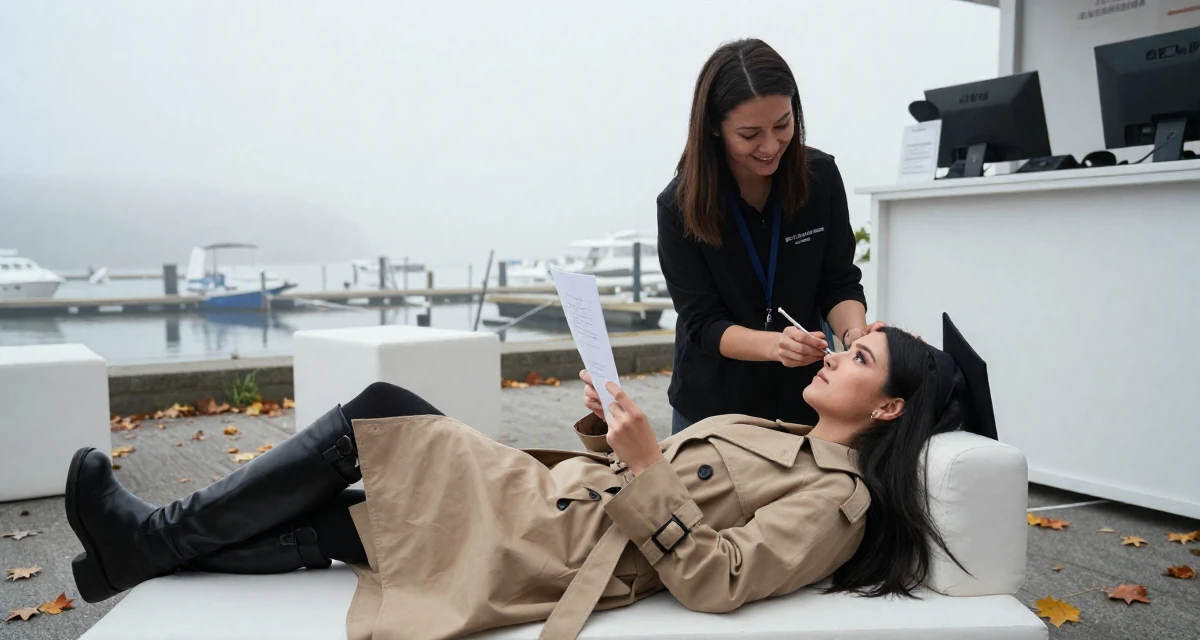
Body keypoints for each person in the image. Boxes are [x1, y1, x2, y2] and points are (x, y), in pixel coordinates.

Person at [65, 314, 995, 640]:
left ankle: (148, 539)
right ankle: (139, 555)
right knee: (357, 521)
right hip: (557, 503)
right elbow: (655, 472)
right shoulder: (776, 422)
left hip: (559, 544)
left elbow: (716, 580)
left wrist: (638, 465)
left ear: (886, 410)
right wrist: (612, 422)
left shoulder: (838, 497)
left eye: (860, 356)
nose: (837, 352)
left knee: (383, 409)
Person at [659, 38, 882, 434]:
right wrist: (776, 346)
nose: (770, 146)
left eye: (783, 125)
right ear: (713, 127)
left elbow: (838, 281)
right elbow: (703, 324)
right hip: (714, 407)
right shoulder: (679, 205)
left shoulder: (821, 178)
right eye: (749, 134)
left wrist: (854, 332)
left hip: (808, 397)